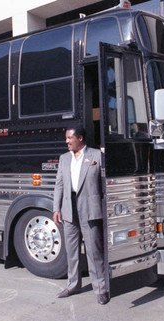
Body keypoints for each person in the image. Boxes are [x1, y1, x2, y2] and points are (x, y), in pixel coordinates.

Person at [53, 125, 109, 305]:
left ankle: (100, 289)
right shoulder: (63, 159)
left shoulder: (96, 156)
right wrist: (56, 208)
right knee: (71, 252)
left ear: (80, 139)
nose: (67, 141)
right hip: (69, 209)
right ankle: (73, 285)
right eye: (66, 138)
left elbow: (104, 184)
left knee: (94, 251)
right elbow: (59, 184)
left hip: (90, 209)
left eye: (70, 138)